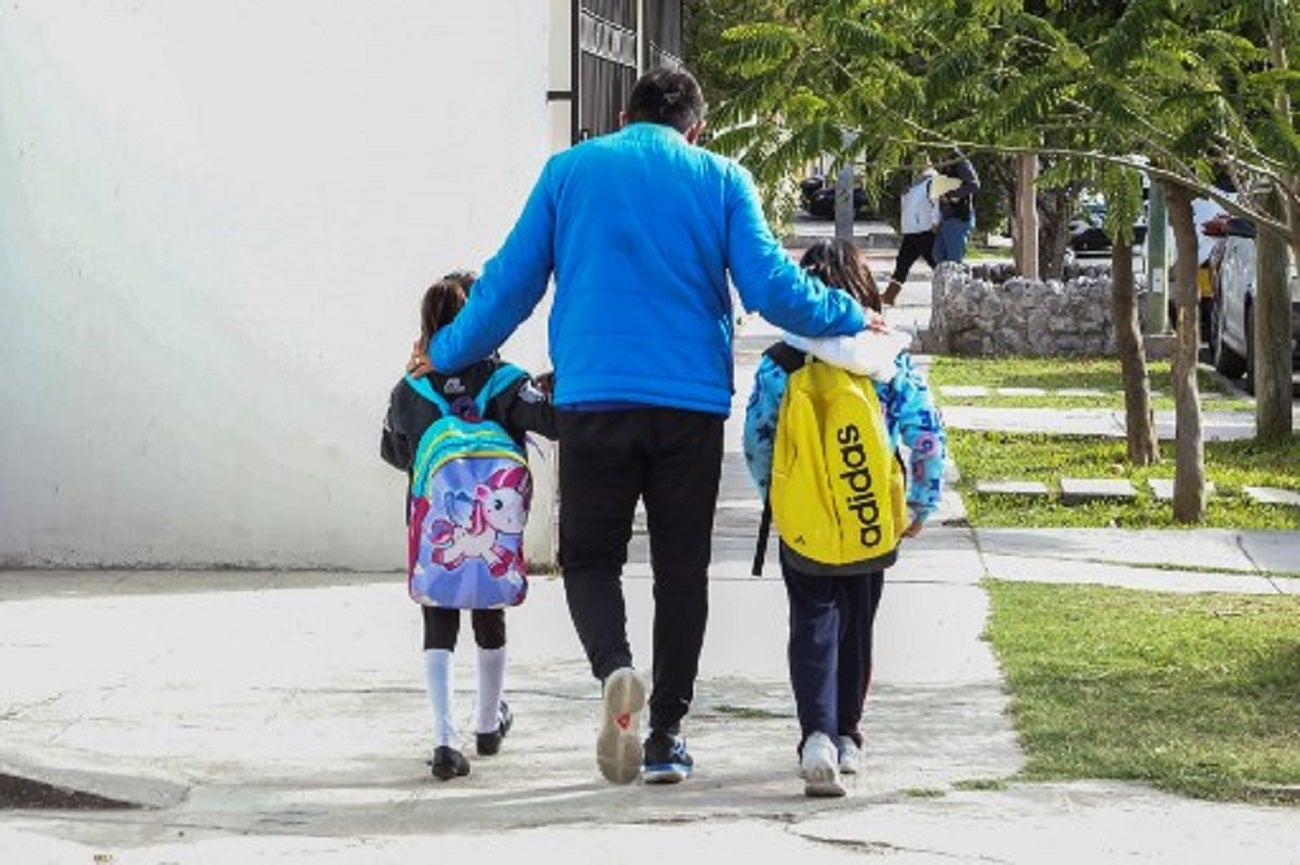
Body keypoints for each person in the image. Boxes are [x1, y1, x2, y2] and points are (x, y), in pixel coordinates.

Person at [409, 67, 874, 786]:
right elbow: (770, 287)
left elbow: (507, 287)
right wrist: (850, 313)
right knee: (681, 570)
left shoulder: (568, 172)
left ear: (624, 117)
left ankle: (615, 669)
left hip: (594, 399)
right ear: (697, 129)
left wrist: (443, 352)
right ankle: (665, 736)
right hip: (690, 405)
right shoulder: (722, 179)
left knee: (590, 558)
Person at [742, 238, 947, 798]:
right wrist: (920, 501)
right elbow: (924, 431)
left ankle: (816, 736)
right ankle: (849, 735)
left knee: (811, 620)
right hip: (869, 513)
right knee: (857, 623)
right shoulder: (886, 358)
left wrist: (777, 498)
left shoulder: (782, 361)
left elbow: (758, 438)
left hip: (805, 517)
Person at [381, 272, 558, 781]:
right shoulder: (504, 381)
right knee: (489, 615)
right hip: (493, 537)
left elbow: (393, 452)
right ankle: (486, 722)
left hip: (436, 534)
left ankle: (444, 740)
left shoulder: (410, 388)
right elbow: (553, 422)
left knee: (438, 624)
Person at [883, 166, 940, 306]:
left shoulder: (931, 181)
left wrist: (935, 222)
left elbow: (936, 203)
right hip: (912, 230)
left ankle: (951, 290)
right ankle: (890, 295)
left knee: (935, 263)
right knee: (902, 262)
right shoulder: (915, 184)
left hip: (923, 230)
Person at [932, 151, 980, 265]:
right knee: (938, 254)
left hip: (957, 218)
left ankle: (958, 276)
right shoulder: (946, 163)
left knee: (954, 261)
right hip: (946, 219)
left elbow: (974, 185)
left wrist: (951, 195)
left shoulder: (960, 161)